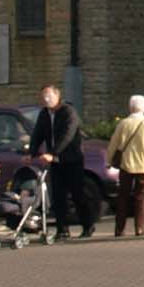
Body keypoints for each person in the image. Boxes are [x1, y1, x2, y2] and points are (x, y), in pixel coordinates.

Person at [29, 81, 99, 237]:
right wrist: (31, 153)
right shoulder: (44, 114)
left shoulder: (68, 112)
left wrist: (53, 153)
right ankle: (62, 229)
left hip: (71, 159)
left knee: (77, 194)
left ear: (57, 95)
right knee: (58, 196)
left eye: (49, 95)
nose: (46, 99)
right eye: (43, 96)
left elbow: (67, 136)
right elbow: (38, 134)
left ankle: (88, 225)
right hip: (55, 162)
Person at [106, 93, 144, 237]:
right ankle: (139, 228)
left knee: (123, 196)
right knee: (141, 197)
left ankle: (119, 229)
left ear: (130, 107)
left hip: (126, 164)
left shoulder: (123, 124)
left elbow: (113, 144)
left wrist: (108, 160)